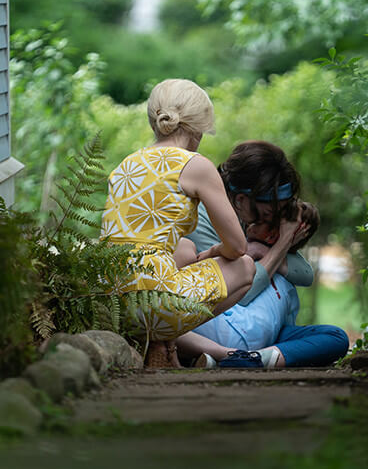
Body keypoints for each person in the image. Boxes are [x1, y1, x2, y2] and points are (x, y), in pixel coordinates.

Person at [99, 79, 256, 367]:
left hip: (107, 301)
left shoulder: (126, 164)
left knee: (183, 247)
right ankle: (162, 339)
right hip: (151, 304)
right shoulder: (195, 165)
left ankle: (158, 347)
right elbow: (237, 246)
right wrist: (211, 253)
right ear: (199, 127)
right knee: (245, 267)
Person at [187, 201, 350, 368]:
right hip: (235, 327)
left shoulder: (279, 261)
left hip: (265, 334)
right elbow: (243, 297)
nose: (250, 222)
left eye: (260, 220)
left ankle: (250, 358)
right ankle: (256, 359)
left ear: (272, 236)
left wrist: (267, 248)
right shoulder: (241, 251)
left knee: (337, 336)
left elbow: (307, 275)